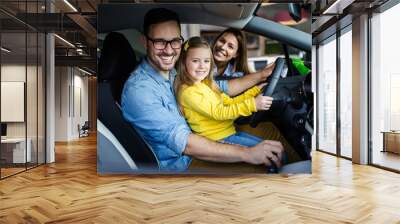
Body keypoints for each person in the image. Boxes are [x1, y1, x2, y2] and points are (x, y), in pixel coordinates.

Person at [121, 8, 284, 172]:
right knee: (272, 164)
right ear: (145, 42)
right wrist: (248, 154)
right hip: (186, 163)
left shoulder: (173, 72)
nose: (169, 50)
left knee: (275, 139)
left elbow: (221, 89)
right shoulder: (139, 91)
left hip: (204, 140)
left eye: (175, 41)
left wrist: (261, 76)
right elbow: (186, 144)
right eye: (160, 42)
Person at [175, 36, 273, 147]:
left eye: (206, 61)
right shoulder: (188, 92)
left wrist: (254, 91)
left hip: (228, 133)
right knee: (270, 151)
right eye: (195, 61)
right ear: (184, 62)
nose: (202, 66)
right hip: (215, 140)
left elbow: (230, 102)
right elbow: (220, 113)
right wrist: (253, 104)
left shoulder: (206, 84)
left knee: (270, 146)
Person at [212, 28, 274, 96]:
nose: (223, 47)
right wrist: (262, 74)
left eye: (230, 47)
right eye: (222, 41)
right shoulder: (201, 63)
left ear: (236, 54)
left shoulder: (238, 76)